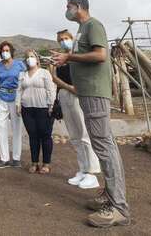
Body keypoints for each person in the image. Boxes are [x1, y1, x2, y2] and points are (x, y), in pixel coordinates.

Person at [51, 0, 130, 228]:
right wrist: (67, 59)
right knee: (104, 144)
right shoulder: (82, 30)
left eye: (69, 6)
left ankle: (119, 208)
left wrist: (69, 56)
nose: (66, 10)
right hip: (87, 92)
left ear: (79, 7)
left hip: (95, 92)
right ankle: (110, 195)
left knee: (103, 146)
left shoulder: (93, 25)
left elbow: (100, 54)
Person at [51, 29, 101, 189]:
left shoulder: (78, 56)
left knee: (84, 134)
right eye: (60, 40)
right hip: (65, 97)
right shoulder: (61, 59)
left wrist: (61, 83)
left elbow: (77, 85)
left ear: (72, 39)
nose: (63, 42)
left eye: (66, 38)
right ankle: (83, 169)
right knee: (74, 136)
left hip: (77, 97)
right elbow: (57, 80)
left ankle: (92, 173)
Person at [16, 49, 56, 174]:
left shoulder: (44, 73)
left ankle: (46, 163)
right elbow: (19, 90)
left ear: (37, 59)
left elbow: (51, 89)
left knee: (45, 135)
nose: (29, 59)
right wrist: (18, 104)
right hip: (27, 109)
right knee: (33, 136)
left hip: (43, 108)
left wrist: (51, 105)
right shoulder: (22, 75)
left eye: (32, 56)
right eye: (27, 57)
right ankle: (34, 162)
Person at [0, 41, 25, 169]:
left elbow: (24, 80)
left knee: (16, 127)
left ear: (11, 51)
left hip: (15, 97)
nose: (5, 52)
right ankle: (4, 159)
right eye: (3, 51)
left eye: (7, 50)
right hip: (1, 97)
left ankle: (16, 158)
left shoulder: (19, 64)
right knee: (1, 126)